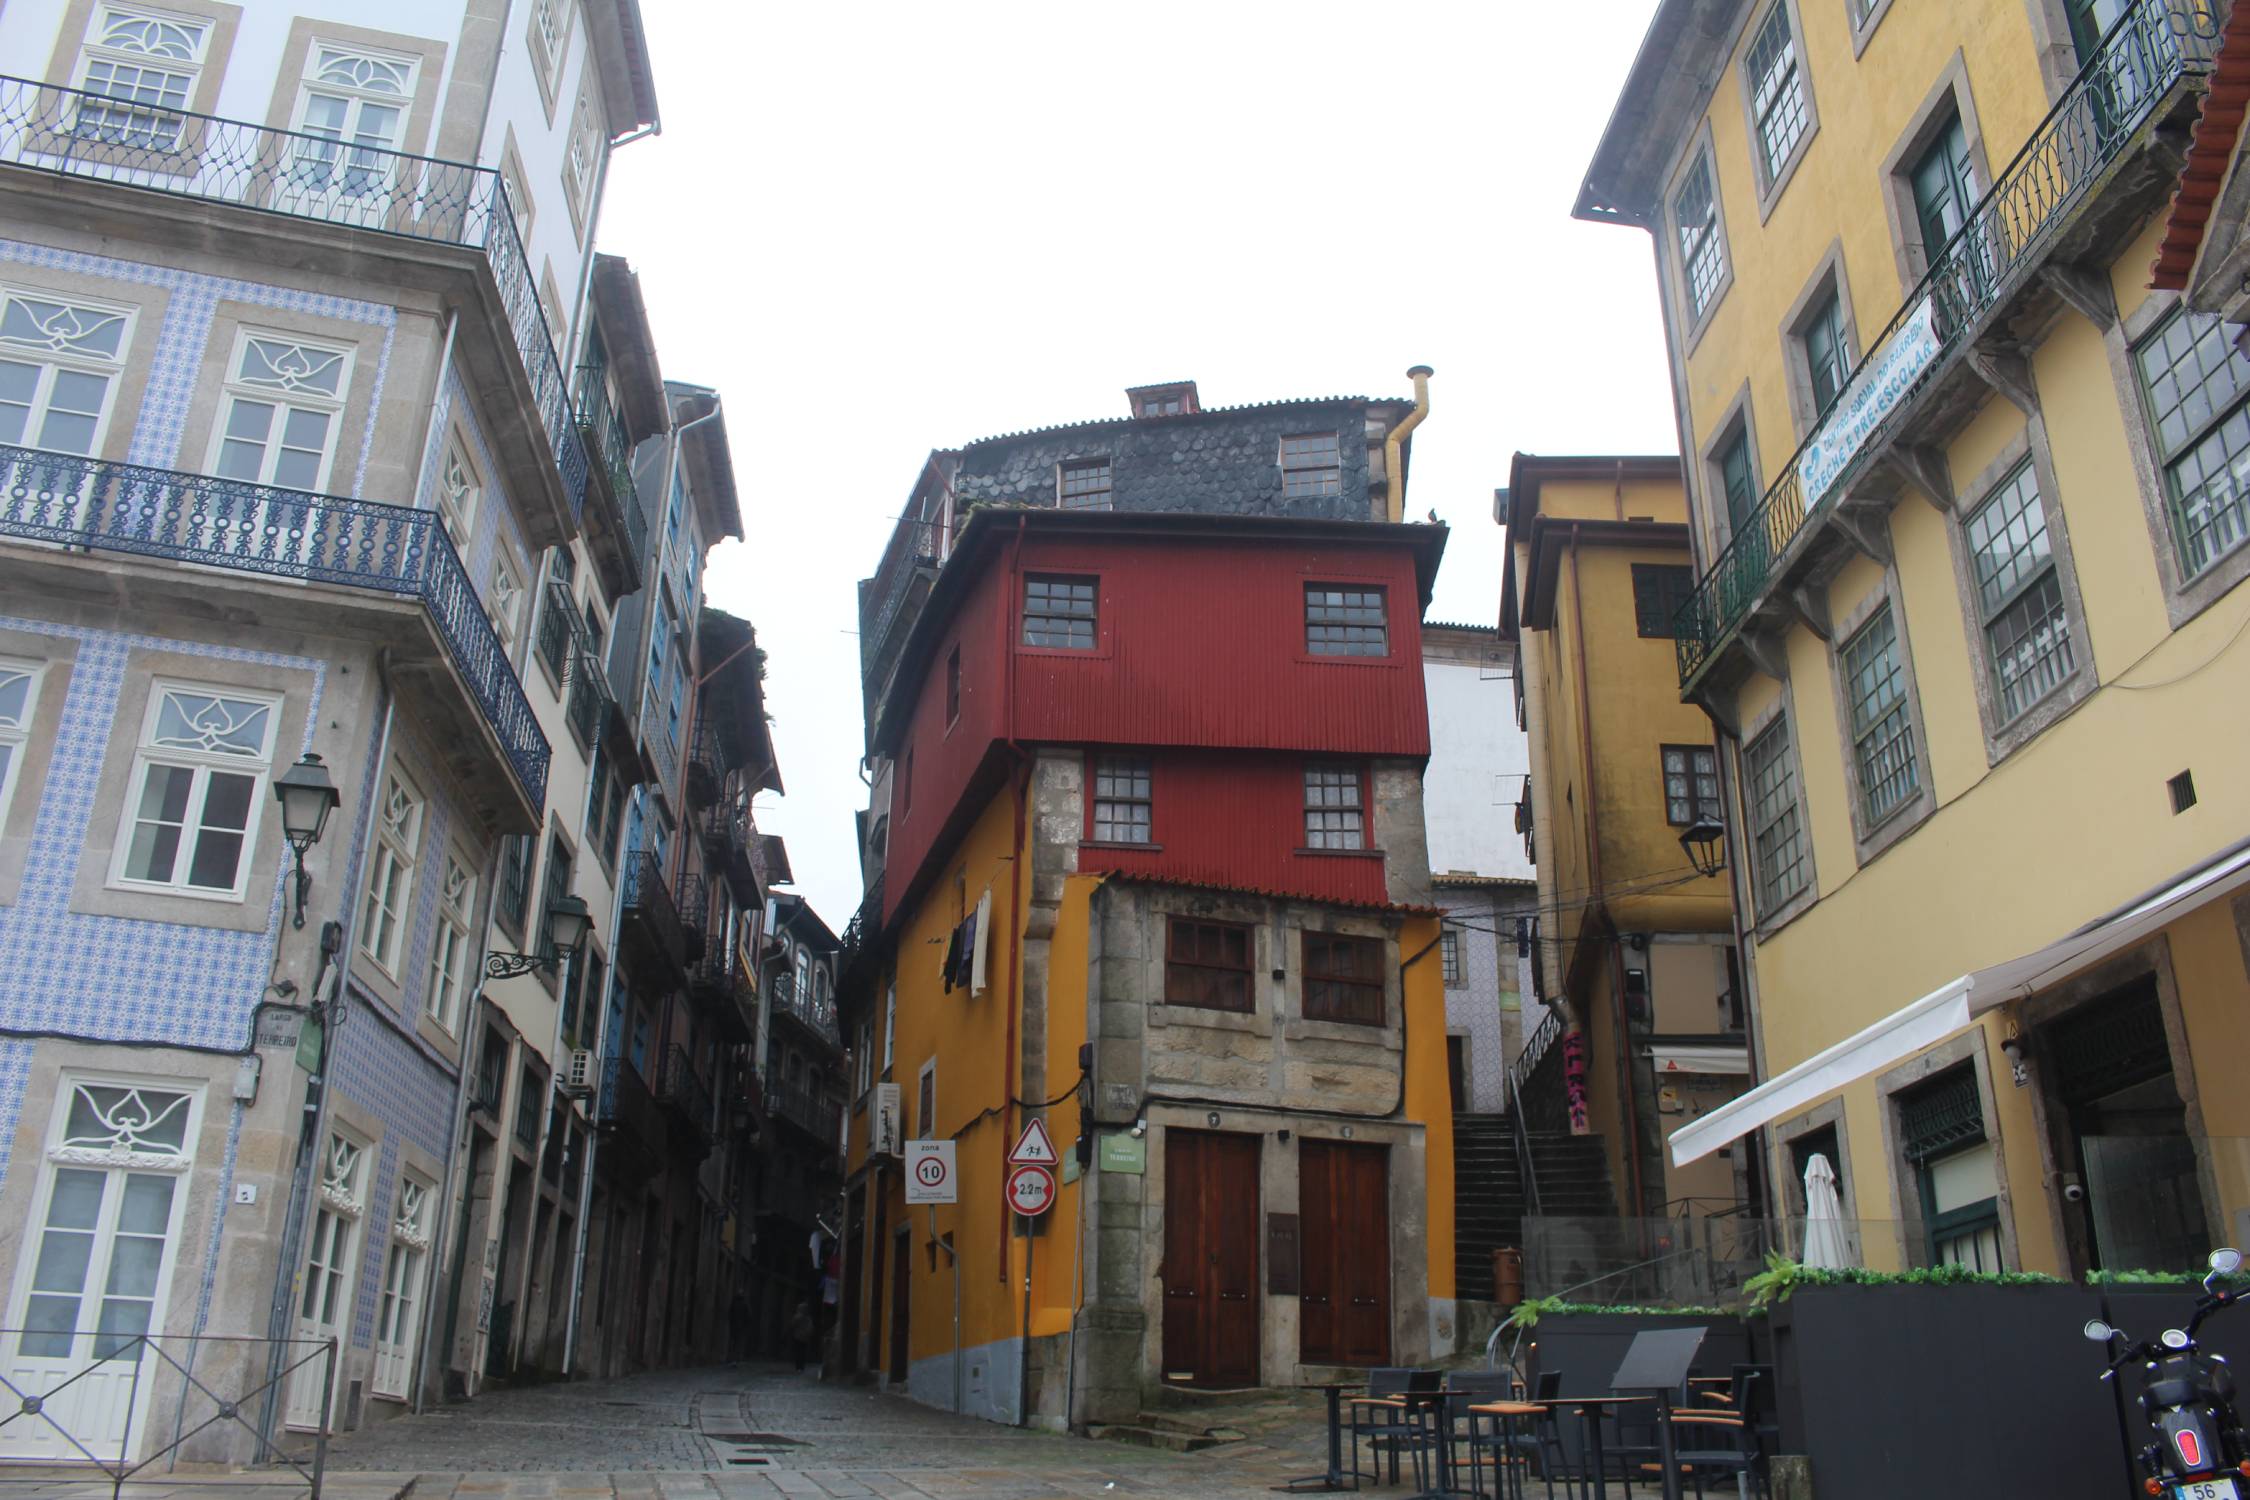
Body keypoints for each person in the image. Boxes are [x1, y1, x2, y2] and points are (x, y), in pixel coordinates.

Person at [789, 1300, 814, 1372]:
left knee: (798, 1352)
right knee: (802, 1353)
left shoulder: (797, 1317)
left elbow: (792, 1325)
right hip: (805, 1338)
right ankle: (801, 1367)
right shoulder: (808, 1318)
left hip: (797, 1337)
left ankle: (798, 1367)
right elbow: (811, 1327)